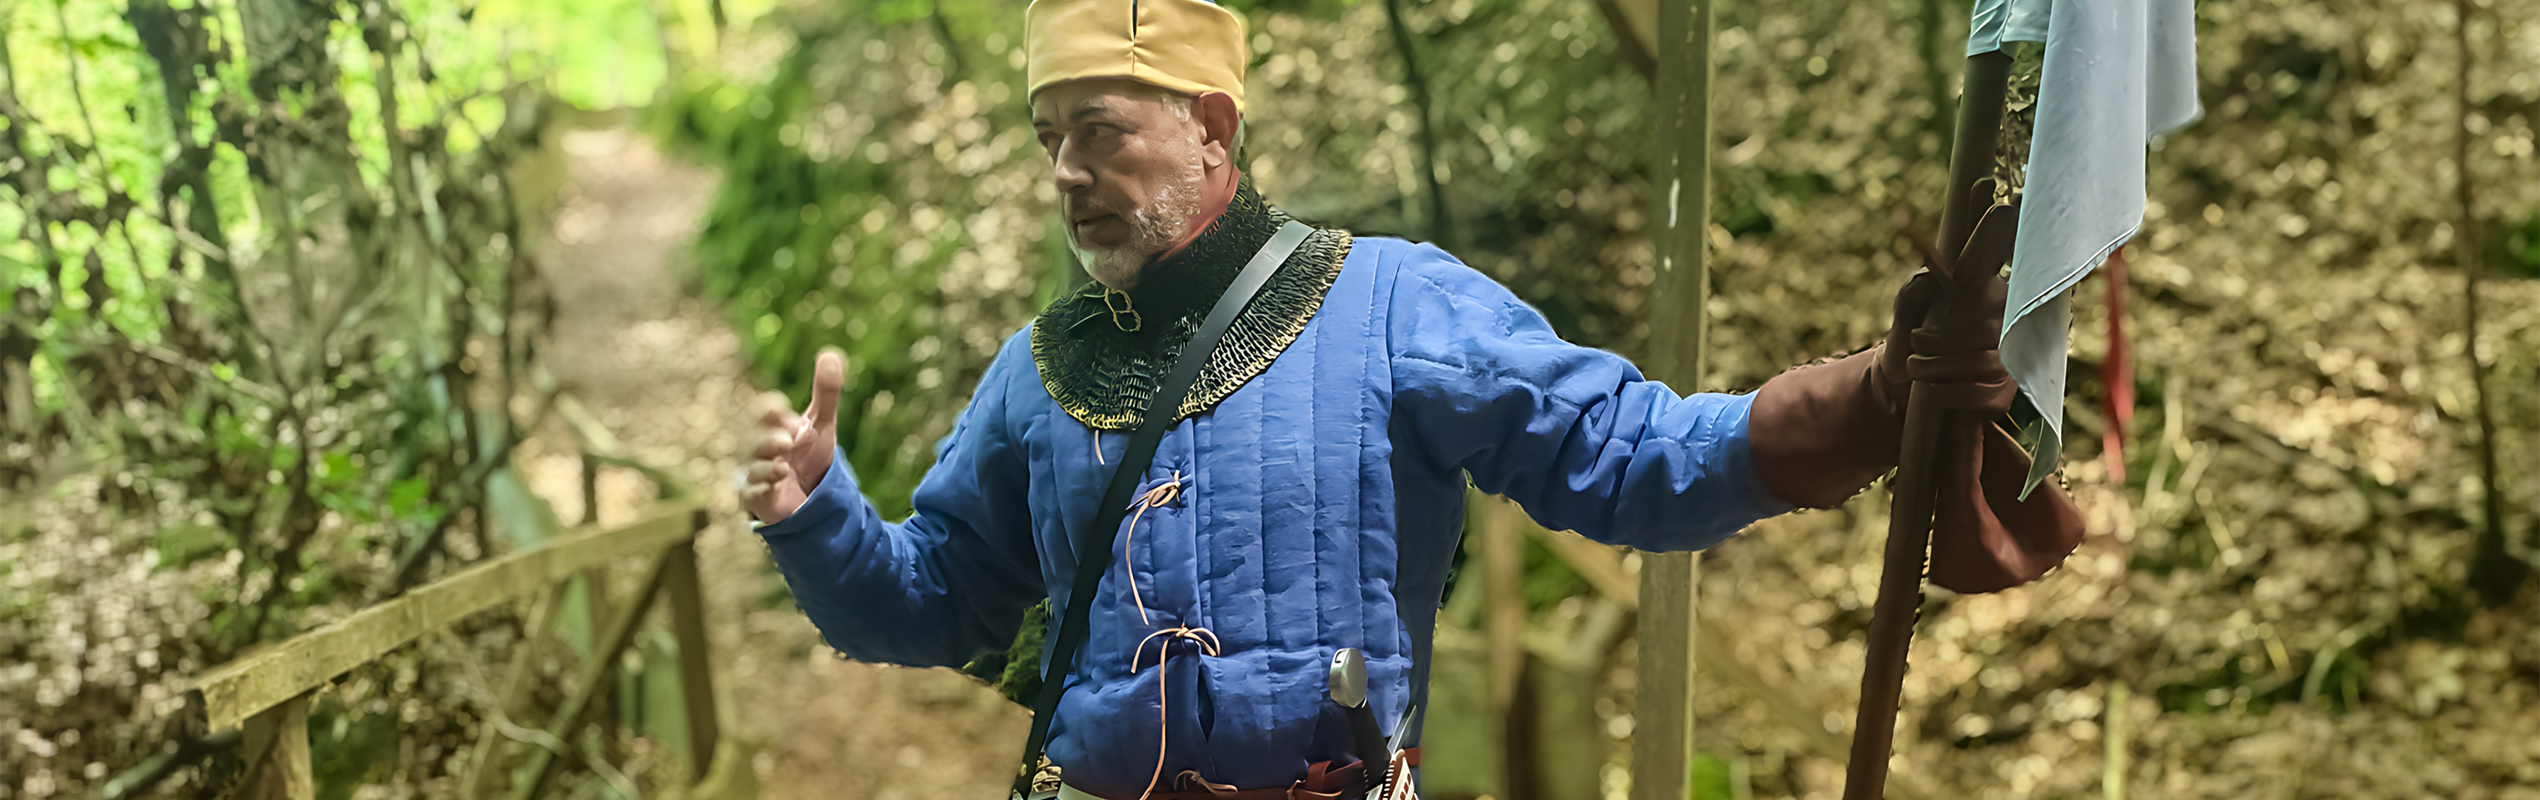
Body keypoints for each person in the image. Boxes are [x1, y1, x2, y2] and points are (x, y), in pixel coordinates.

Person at [738, 0, 2083, 796]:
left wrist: (1867, 397)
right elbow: (926, 603)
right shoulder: (1036, 375)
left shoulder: (1392, 305)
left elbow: (1637, 461)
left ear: (1214, 125)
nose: (1066, 175)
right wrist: (817, 515)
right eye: (1049, 142)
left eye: (1099, 131)